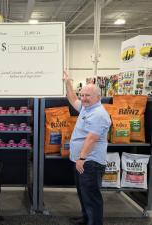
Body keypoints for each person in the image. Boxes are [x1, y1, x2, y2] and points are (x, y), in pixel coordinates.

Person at [63, 72, 111, 225]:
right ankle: (86, 218)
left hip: (89, 162)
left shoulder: (99, 114)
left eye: (87, 95)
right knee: (84, 194)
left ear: (98, 96)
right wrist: (68, 82)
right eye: (82, 94)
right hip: (82, 161)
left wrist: (82, 158)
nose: (83, 98)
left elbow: (92, 139)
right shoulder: (87, 108)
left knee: (91, 197)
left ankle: (94, 222)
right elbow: (73, 99)